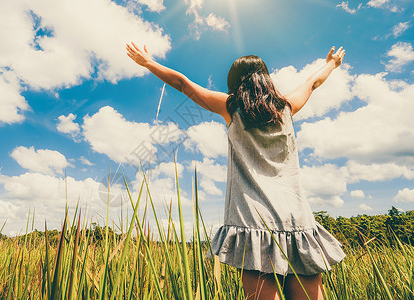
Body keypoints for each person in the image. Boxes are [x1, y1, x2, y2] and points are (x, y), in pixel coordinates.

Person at [126, 42, 347, 300]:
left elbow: (184, 84)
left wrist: (148, 63)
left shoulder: (231, 107)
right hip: (296, 218)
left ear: (235, 83)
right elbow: (312, 82)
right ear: (266, 78)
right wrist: (331, 63)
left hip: (253, 220)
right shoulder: (286, 107)